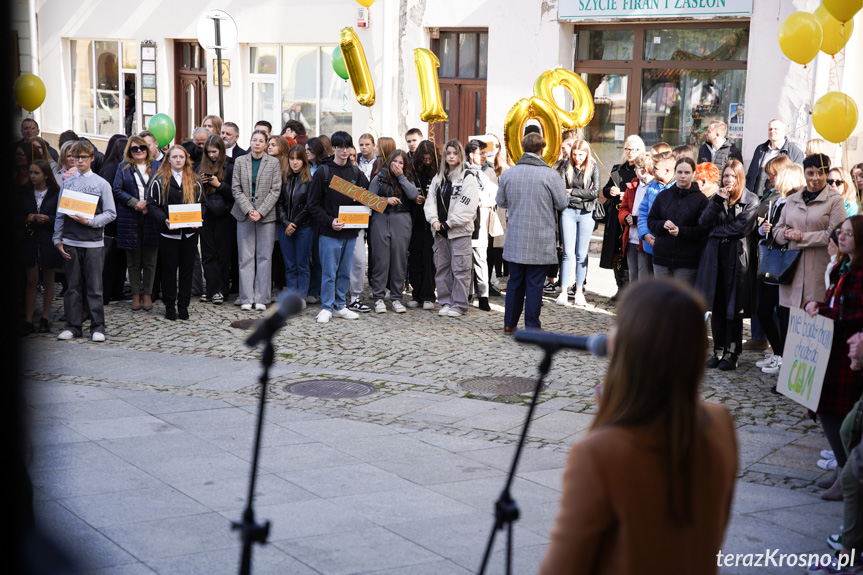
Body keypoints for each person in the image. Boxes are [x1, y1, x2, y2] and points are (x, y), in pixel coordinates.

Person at [539, 278, 737, 575]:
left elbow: (563, 567)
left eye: (617, 326)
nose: (609, 334)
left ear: (631, 346)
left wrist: (607, 415)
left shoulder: (599, 453)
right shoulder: (720, 422)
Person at [805, 215, 863, 503]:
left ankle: (848, 473)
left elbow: (857, 315)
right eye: (841, 232)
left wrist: (828, 314)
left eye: (849, 234)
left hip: (849, 353)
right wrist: (817, 305)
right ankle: (842, 468)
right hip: (831, 348)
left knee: (841, 413)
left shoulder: (861, 273)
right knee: (823, 407)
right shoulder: (842, 267)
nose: (842, 237)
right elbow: (832, 302)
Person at [495, 133, 567, 332]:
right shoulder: (551, 175)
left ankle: (509, 324)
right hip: (541, 238)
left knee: (515, 282)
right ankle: (532, 327)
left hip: (517, 236)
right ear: (542, 150)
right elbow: (562, 203)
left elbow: (500, 202)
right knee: (535, 284)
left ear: (523, 149)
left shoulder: (509, 174)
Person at [696, 159, 759, 371]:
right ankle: (718, 350)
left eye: (732, 176)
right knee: (718, 305)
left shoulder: (751, 199)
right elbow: (703, 223)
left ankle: (733, 353)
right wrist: (716, 203)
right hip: (716, 258)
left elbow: (741, 229)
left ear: (740, 177)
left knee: (733, 308)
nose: (728, 180)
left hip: (738, 258)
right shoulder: (717, 197)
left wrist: (715, 232)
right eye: (725, 176)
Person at [53, 140, 116, 342]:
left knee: (95, 287)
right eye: (75, 157)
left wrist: (90, 221)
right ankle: (73, 325)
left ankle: (98, 326)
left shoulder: (101, 184)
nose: (79, 161)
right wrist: (58, 239)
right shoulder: (68, 183)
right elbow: (60, 213)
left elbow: (111, 213)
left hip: (94, 243)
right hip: (71, 240)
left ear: (91, 158)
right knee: (72, 286)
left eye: (83, 157)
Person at [307, 131, 370, 323]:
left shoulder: (356, 172)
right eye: (340, 147)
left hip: (351, 231)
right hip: (329, 231)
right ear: (333, 148)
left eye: (347, 147)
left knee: (344, 271)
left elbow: (366, 198)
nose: (344, 151)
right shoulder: (323, 172)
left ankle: (340, 305)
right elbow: (313, 204)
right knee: (329, 271)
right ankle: (327, 306)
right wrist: (329, 221)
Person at [773, 153, 846, 311]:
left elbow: (833, 235)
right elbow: (777, 230)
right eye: (810, 173)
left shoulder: (835, 200)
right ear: (804, 173)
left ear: (826, 174)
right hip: (790, 274)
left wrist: (801, 237)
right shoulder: (793, 199)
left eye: (820, 173)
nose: (815, 178)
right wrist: (786, 234)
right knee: (788, 328)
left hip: (817, 275)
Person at [755, 162, 803, 377]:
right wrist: (764, 229)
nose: (771, 179)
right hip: (772, 259)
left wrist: (776, 231)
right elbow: (769, 230)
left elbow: (792, 232)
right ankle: (778, 351)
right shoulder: (776, 200)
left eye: (775, 176)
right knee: (764, 309)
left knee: (782, 313)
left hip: (787, 261)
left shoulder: (795, 203)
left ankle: (783, 356)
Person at [146, 145, 204, 321]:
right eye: (175, 157)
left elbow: (203, 205)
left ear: (186, 159)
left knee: (187, 270)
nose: (178, 160)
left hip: (189, 234)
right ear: (168, 159)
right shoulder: (159, 180)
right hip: (168, 234)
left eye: (181, 157)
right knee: (169, 271)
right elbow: (152, 204)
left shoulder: (194, 180)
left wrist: (198, 220)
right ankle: (169, 305)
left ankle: (184, 306)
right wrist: (164, 219)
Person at [425, 139, 480, 318]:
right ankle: (446, 302)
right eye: (448, 153)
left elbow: (467, 205)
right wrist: (434, 221)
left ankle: (460, 304)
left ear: (460, 155)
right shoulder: (438, 177)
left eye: (455, 153)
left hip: (458, 231)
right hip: (439, 232)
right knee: (442, 268)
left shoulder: (467, 177)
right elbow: (430, 201)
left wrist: (449, 223)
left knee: (461, 269)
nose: (451, 156)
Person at [231, 130, 282, 311]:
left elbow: (276, 190)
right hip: (244, 213)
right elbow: (236, 188)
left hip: (266, 215)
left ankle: (262, 297)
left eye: (261, 141)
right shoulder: (240, 161)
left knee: (264, 257)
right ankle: (246, 298)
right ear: (250, 141)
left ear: (266, 144)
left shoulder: (274, 163)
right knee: (245, 257)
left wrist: (260, 211)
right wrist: (249, 209)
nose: (257, 143)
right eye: (254, 140)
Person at [112, 136, 161, 311]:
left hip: (151, 216)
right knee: (133, 259)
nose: (139, 150)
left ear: (147, 149)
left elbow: (163, 187)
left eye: (142, 147)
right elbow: (117, 189)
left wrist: (148, 203)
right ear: (129, 151)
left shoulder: (157, 166)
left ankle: (147, 293)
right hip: (130, 217)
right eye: (135, 148)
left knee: (150, 259)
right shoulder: (123, 167)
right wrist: (135, 203)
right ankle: (135, 294)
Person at [368, 149, 419, 313]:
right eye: (395, 161)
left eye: (401, 162)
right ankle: (379, 298)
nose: (397, 165)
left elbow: (413, 195)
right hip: (381, 219)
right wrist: (384, 200)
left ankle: (397, 298)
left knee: (399, 260)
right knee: (381, 260)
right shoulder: (380, 177)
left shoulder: (407, 178)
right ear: (389, 161)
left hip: (402, 219)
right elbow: (368, 198)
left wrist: (401, 177)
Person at [647, 157, 708, 284]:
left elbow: (703, 230)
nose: (682, 176)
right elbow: (651, 221)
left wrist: (681, 231)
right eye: (680, 172)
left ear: (693, 174)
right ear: (675, 172)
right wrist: (662, 224)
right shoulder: (663, 196)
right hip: (661, 258)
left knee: (681, 301)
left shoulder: (701, 200)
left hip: (687, 261)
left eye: (687, 173)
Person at [20, 160, 62, 335]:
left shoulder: (56, 193)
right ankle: (28, 319)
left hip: (48, 238)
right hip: (30, 239)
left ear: (45, 175)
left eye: (36, 173)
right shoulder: (23, 192)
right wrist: (26, 218)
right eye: (31, 173)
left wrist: (49, 219)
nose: (32, 176)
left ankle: (44, 317)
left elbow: (60, 216)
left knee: (49, 278)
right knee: (31, 280)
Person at [600, 135, 644, 298]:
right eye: (628, 149)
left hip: (632, 216)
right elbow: (606, 190)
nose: (630, 152)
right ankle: (621, 288)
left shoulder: (642, 170)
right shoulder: (618, 169)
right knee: (616, 252)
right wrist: (610, 192)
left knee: (629, 252)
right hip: (616, 216)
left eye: (634, 149)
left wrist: (626, 195)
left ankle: (631, 290)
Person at [558, 139, 600, 307]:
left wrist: (573, 191)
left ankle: (579, 291)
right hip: (568, 211)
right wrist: (582, 195)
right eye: (574, 154)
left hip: (586, 212)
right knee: (567, 253)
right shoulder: (565, 167)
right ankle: (563, 291)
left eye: (581, 155)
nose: (577, 158)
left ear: (587, 154)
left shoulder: (593, 167)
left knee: (581, 254)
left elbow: (595, 192)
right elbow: (562, 193)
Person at [198, 135, 234, 305]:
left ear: (221, 150)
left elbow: (235, 193)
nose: (212, 155)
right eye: (209, 152)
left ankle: (221, 289)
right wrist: (200, 183)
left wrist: (218, 184)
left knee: (223, 256)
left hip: (225, 216)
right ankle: (212, 289)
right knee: (207, 254)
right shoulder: (201, 166)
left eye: (215, 151)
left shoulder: (230, 166)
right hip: (206, 215)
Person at [276, 144, 313, 301]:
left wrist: (294, 224)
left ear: (304, 160)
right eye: (292, 158)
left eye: (298, 159)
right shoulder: (284, 178)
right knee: (289, 265)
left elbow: (309, 206)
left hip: (304, 228)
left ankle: (302, 297)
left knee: (302, 265)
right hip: (285, 227)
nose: (295, 162)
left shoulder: (309, 180)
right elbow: (279, 203)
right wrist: (286, 223)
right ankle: (292, 297)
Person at [465, 139, 497, 312]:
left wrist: (484, 201)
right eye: (481, 153)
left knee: (481, 258)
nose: (484, 156)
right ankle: (467, 293)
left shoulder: (485, 175)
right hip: (466, 221)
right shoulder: (462, 173)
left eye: (485, 153)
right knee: (466, 259)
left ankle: (483, 296)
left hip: (482, 221)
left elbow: (494, 197)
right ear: (471, 155)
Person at [408, 140, 439, 309]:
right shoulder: (413, 170)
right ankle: (416, 293)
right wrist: (415, 198)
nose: (427, 162)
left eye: (429, 159)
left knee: (429, 259)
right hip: (415, 219)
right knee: (415, 258)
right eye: (424, 159)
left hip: (431, 221)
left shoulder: (438, 172)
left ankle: (428, 295)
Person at [746, 119, 805, 197]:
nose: (772, 131)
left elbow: (797, 180)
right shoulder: (760, 149)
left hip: (779, 198)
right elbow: (751, 174)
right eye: (770, 129)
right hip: (756, 198)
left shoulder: (795, 152)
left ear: (784, 131)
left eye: (776, 129)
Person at [619, 152, 654, 285]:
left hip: (643, 240)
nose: (634, 171)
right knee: (633, 276)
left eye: (636, 168)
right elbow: (623, 208)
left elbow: (653, 213)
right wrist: (626, 217)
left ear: (644, 170)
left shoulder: (654, 187)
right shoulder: (633, 185)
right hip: (631, 238)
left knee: (644, 276)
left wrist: (637, 220)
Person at [637, 151, 676, 267]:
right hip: (649, 246)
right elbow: (643, 212)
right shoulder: (652, 187)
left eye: (655, 168)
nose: (652, 170)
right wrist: (644, 234)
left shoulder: (676, 189)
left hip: (668, 250)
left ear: (667, 171)